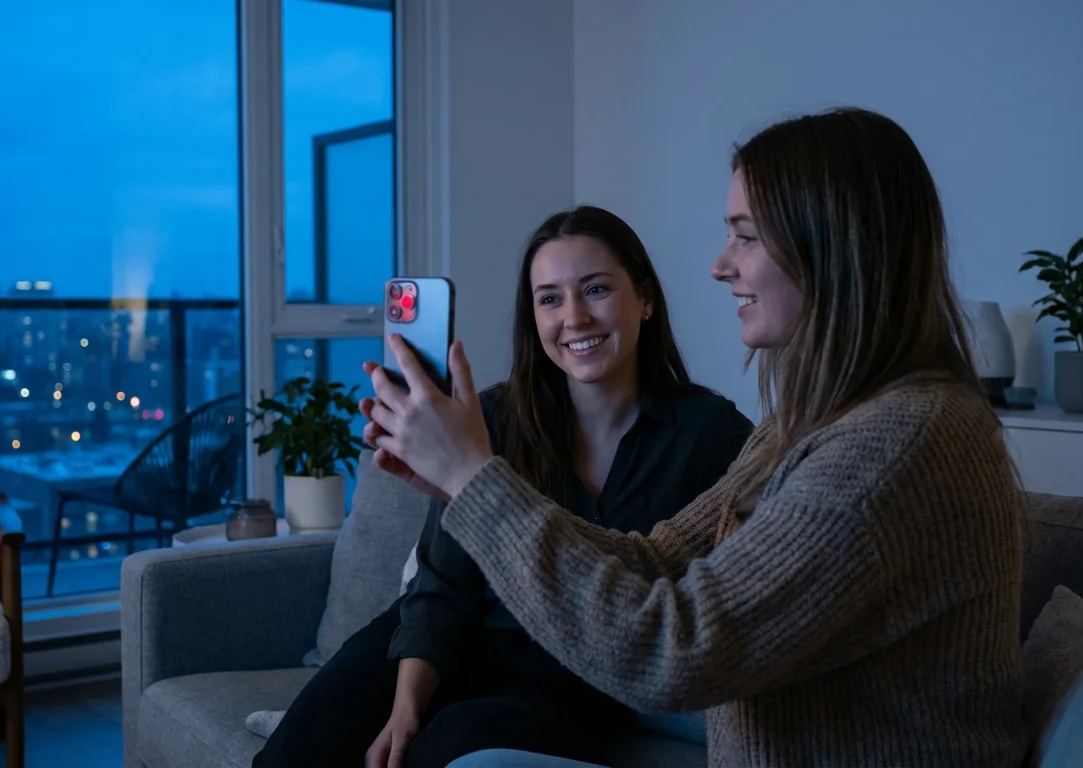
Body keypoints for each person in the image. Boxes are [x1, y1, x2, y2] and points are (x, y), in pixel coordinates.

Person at [361, 107, 1028, 768]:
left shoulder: (896, 446)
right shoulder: (810, 422)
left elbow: (672, 654)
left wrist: (476, 484)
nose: (719, 265)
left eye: (745, 236)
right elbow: (655, 557)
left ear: (833, 245)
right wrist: (468, 484)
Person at [252, 204, 753, 768]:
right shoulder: (487, 418)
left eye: (595, 290)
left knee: (443, 747)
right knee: (297, 750)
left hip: (570, 673)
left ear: (645, 298)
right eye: (550, 299)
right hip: (444, 644)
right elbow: (441, 584)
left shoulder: (714, 435)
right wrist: (404, 706)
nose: (575, 317)